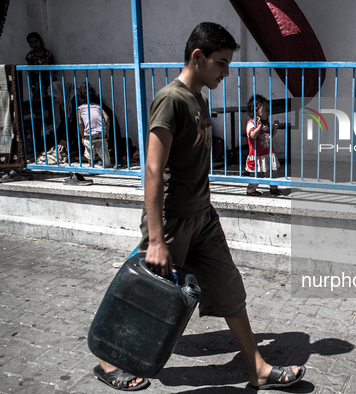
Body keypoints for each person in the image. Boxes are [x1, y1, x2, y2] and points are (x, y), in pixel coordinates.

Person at [92, 22, 306, 391]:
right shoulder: (171, 99)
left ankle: (256, 369)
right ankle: (107, 361)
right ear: (197, 56)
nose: (226, 72)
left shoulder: (200, 98)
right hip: (172, 221)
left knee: (228, 288)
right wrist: (157, 240)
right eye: (221, 63)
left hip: (203, 217)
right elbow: (154, 169)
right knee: (144, 293)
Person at [244, 94, 284, 196]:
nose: (268, 112)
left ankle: (274, 188)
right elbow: (252, 135)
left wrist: (274, 128)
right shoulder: (251, 123)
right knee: (256, 175)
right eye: (266, 109)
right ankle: (251, 190)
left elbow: (270, 136)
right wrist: (259, 127)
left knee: (272, 173)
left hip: (268, 153)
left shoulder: (266, 123)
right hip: (257, 155)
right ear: (256, 110)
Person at [76, 82, 112, 168]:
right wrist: (107, 131)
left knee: (89, 151)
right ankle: (107, 165)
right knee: (104, 150)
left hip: (89, 134)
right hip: (101, 132)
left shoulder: (80, 108)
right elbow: (107, 118)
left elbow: (81, 124)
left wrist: (82, 136)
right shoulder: (98, 107)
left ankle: (92, 166)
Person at [25, 32, 54, 100]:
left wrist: (53, 69)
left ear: (40, 41)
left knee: (52, 82)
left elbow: (52, 63)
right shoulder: (30, 55)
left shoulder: (47, 53)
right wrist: (30, 79)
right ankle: (37, 104)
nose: (34, 44)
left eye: (36, 41)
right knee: (36, 88)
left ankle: (49, 99)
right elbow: (29, 68)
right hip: (36, 77)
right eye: (31, 42)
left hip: (46, 76)